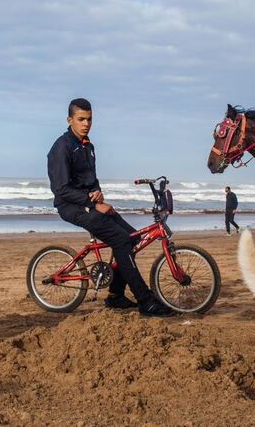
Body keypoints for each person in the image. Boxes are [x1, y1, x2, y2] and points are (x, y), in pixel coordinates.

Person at [47, 97, 172, 317]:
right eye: (81, 119)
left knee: (132, 238)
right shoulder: (61, 148)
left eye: (89, 119)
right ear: (70, 120)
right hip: (71, 207)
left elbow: (92, 180)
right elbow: (61, 190)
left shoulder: (89, 146)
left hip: (89, 203)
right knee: (120, 240)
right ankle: (145, 301)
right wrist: (90, 203)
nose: (86, 123)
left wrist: (98, 195)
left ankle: (115, 295)